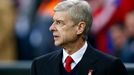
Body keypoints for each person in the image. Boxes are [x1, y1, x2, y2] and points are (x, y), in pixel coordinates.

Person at [31, 0, 128, 75]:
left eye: (59, 22)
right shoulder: (39, 66)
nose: (51, 28)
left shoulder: (110, 66)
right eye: (53, 22)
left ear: (80, 27)